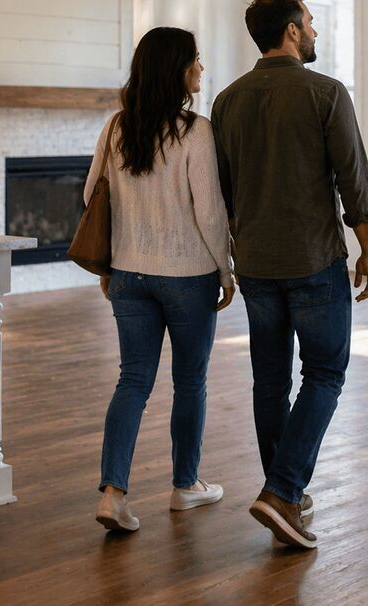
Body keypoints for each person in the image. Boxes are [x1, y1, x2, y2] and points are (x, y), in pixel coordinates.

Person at [211, 0, 368, 550]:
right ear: (289, 31)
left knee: (271, 380)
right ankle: (282, 491)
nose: (314, 32)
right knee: (326, 372)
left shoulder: (227, 101)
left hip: (256, 261)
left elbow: (223, 193)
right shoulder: (325, 93)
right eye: (309, 23)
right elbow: (354, 180)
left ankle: (286, 497)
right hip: (313, 258)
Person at [88, 27, 235, 532]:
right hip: (187, 276)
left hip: (128, 274)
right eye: (195, 59)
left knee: (133, 380)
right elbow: (210, 212)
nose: (201, 67)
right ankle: (185, 485)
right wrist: (225, 269)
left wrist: (111, 265)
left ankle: (113, 493)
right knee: (189, 381)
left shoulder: (115, 128)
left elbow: (93, 197)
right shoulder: (196, 130)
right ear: (177, 70)